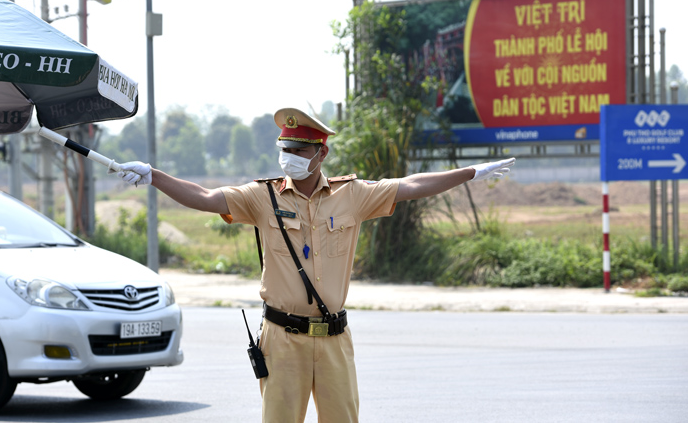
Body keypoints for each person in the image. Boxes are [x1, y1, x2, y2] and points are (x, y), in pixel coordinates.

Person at [116, 107, 515, 423]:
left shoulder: (353, 195)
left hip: (334, 340)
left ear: (321, 153)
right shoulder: (262, 198)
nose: (288, 158)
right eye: (284, 149)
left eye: (298, 150)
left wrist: (470, 173)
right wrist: (155, 176)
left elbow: (411, 185)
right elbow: (205, 197)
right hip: (282, 339)